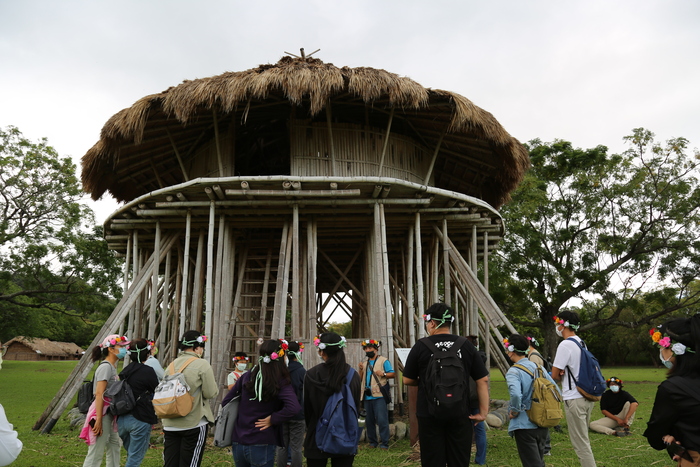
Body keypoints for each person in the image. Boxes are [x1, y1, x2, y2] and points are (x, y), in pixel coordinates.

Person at [402, 303, 489, 467]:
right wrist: (483, 412)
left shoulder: (421, 346)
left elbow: (407, 380)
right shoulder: (466, 345)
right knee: (459, 461)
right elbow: (482, 379)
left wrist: (426, 382)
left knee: (433, 461)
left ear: (432, 323)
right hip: (460, 412)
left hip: (429, 413)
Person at [222, 339, 301, 467]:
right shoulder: (279, 380)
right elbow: (294, 407)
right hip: (262, 440)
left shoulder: (247, 376)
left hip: (239, 440)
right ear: (280, 357)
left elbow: (226, 402)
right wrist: (273, 419)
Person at [644, 314, 700, 466]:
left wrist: (672, 438)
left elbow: (656, 438)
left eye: (662, 346)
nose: (661, 351)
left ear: (676, 350)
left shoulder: (672, 389)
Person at [304, 332, 361, 467]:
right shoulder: (353, 375)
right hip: (344, 434)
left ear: (322, 351)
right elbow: (356, 406)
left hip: (316, 433)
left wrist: (311, 427)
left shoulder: (311, 374)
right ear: (341, 349)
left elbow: (307, 408)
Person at [162, 330, 218, 467]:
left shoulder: (171, 365)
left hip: (170, 423)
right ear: (197, 347)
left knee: (170, 463)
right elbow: (211, 393)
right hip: (194, 422)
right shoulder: (202, 364)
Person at [504, 334, 560, 467]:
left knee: (531, 463)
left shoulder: (514, 371)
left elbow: (516, 395)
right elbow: (556, 389)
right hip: (542, 422)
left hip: (524, 424)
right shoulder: (539, 368)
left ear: (511, 351)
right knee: (539, 461)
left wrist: (515, 411)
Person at [551, 311, 596, 467]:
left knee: (581, 444)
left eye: (558, 323)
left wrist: (559, 372)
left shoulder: (565, 344)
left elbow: (555, 374)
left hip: (574, 398)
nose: (557, 326)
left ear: (563, 325)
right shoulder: (581, 343)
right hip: (587, 396)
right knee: (584, 440)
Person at [80, 334, 129, 467]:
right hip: (101, 413)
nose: (125, 349)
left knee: (114, 446)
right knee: (97, 450)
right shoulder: (105, 367)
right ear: (111, 349)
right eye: (121, 346)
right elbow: (99, 393)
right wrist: (99, 420)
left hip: (110, 413)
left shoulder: (112, 367)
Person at [117, 338, 159, 467]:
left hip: (122, 420)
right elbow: (157, 390)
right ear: (147, 353)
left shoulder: (124, 372)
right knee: (134, 459)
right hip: (140, 418)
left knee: (132, 454)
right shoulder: (148, 371)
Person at [358, 338, 394, 450]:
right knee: (369, 421)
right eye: (366, 348)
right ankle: (372, 442)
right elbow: (360, 379)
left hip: (379, 396)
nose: (368, 350)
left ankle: (384, 443)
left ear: (376, 349)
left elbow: (392, 374)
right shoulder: (364, 363)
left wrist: (383, 373)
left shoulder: (384, 361)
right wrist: (360, 370)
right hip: (367, 396)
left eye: (370, 348)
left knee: (382, 419)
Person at [277, 341, 306, 467]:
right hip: (298, 414)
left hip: (282, 412)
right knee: (296, 448)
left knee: (282, 446)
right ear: (298, 353)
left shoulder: (280, 371)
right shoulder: (302, 371)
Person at [525, 333, 553, 456]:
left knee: (540, 419)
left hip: (539, 392)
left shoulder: (533, 356)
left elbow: (536, 376)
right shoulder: (532, 354)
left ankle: (545, 447)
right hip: (540, 391)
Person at [465, 335, 487, 466]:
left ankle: (463, 457)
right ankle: (481, 459)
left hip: (464, 397)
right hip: (478, 397)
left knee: (464, 429)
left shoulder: (464, 358)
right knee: (479, 430)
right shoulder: (481, 358)